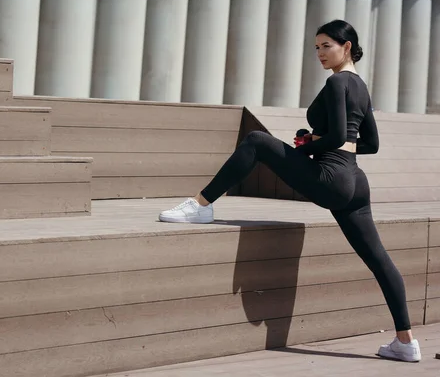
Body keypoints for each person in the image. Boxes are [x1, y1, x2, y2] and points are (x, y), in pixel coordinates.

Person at [158, 19, 421, 362]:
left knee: (256, 141)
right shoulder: (360, 86)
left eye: (327, 46)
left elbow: (338, 135)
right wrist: (318, 143)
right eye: (316, 47)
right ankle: (406, 342)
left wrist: (306, 148)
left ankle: (200, 205)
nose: (320, 53)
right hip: (355, 182)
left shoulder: (338, 81)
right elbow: (368, 143)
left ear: (347, 46)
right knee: (380, 260)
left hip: (332, 175)